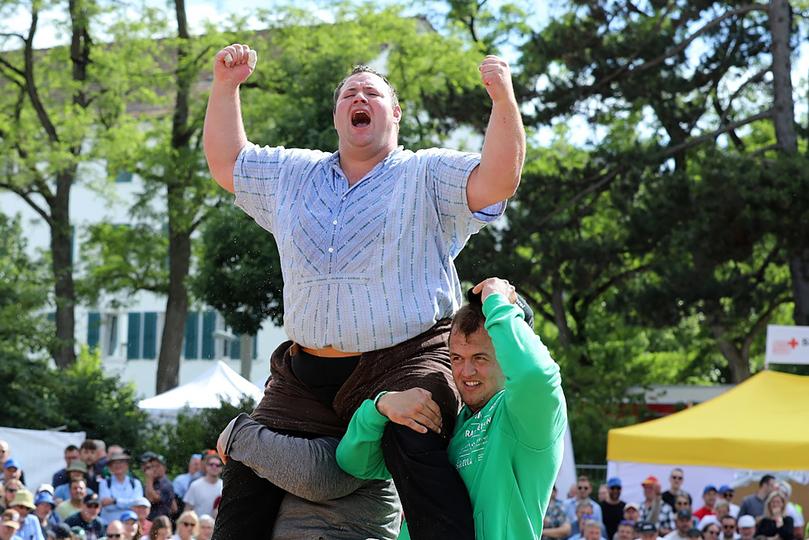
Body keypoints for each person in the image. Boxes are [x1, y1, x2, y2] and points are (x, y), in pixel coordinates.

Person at [205, 33, 524, 538]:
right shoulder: (294, 173)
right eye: (348, 95)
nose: (358, 99)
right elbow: (228, 164)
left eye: (371, 93)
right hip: (306, 370)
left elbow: (499, 179)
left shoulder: (427, 173)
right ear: (336, 117)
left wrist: (503, 100)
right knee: (248, 476)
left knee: (413, 436)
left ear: (394, 113)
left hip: (405, 359)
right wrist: (225, 87)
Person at [336, 277, 567, 539]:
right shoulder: (450, 420)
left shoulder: (529, 417)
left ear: (505, 354)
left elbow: (535, 374)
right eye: (457, 358)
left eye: (480, 358)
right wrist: (381, 406)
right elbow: (354, 463)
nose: (466, 372)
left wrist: (495, 298)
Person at [99, 453, 143, 525]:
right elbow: (107, 506)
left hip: (130, 526)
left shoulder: (135, 483)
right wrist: (128, 503)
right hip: (108, 525)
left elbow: (136, 505)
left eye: (121, 462)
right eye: (114, 463)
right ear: (110, 467)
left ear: (127, 465)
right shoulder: (104, 483)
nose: (118, 465)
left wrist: (115, 501)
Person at [138, 455, 174, 521]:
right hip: (149, 523)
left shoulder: (166, 484)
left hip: (161, 523)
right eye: (152, 466)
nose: (154, 469)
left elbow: (152, 499)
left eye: (157, 466)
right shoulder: (152, 483)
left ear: (164, 468)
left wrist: (149, 479)